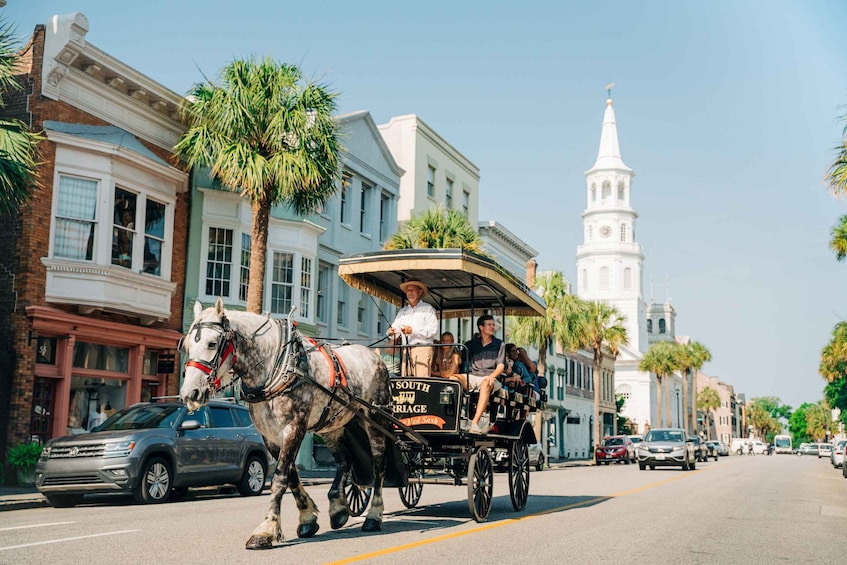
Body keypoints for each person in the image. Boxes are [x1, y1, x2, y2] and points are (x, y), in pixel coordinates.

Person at [460, 314, 506, 435]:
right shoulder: (471, 344)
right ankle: (457, 418)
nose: (492, 327)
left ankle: (474, 422)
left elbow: (501, 366)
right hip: (473, 376)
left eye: (493, 325)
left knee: (486, 383)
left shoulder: (499, 344)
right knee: (452, 379)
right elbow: (460, 360)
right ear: (481, 327)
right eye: (489, 324)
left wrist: (492, 377)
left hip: (490, 377)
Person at [387, 280, 438, 377]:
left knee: (421, 381)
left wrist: (413, 331)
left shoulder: (428, 309)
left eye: (412, 290)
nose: (410, 293)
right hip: (406, 349)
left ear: (420, 292)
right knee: (406, 380)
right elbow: (395, 329)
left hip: (422, 348)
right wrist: (391, 332)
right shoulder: (403, 311)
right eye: (408, 291)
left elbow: (433, 330)